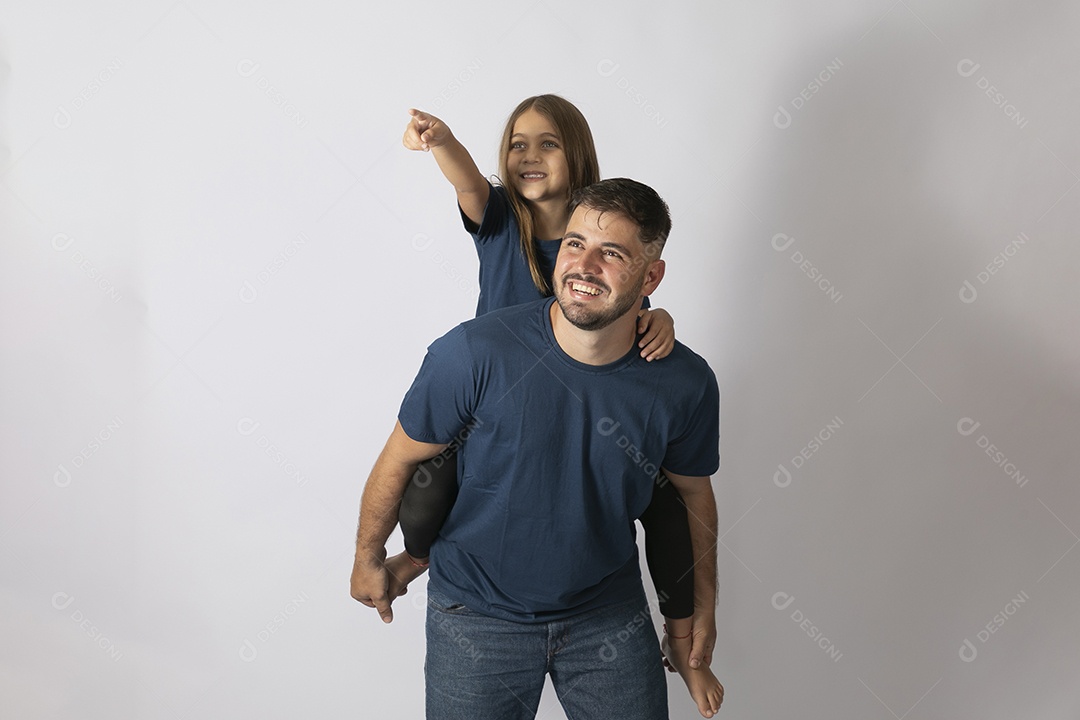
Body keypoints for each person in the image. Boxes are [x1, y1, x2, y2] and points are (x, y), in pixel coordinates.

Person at [352, 178, 724, 718]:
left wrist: (703, 610)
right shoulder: (472, 353)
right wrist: (366, 558)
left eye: (611, 253)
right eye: (575, 244)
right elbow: (400, 457)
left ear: (651, 276)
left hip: (607, 614)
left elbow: (693, 499)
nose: (584, 264)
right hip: (475, 613)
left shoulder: (684, 382)